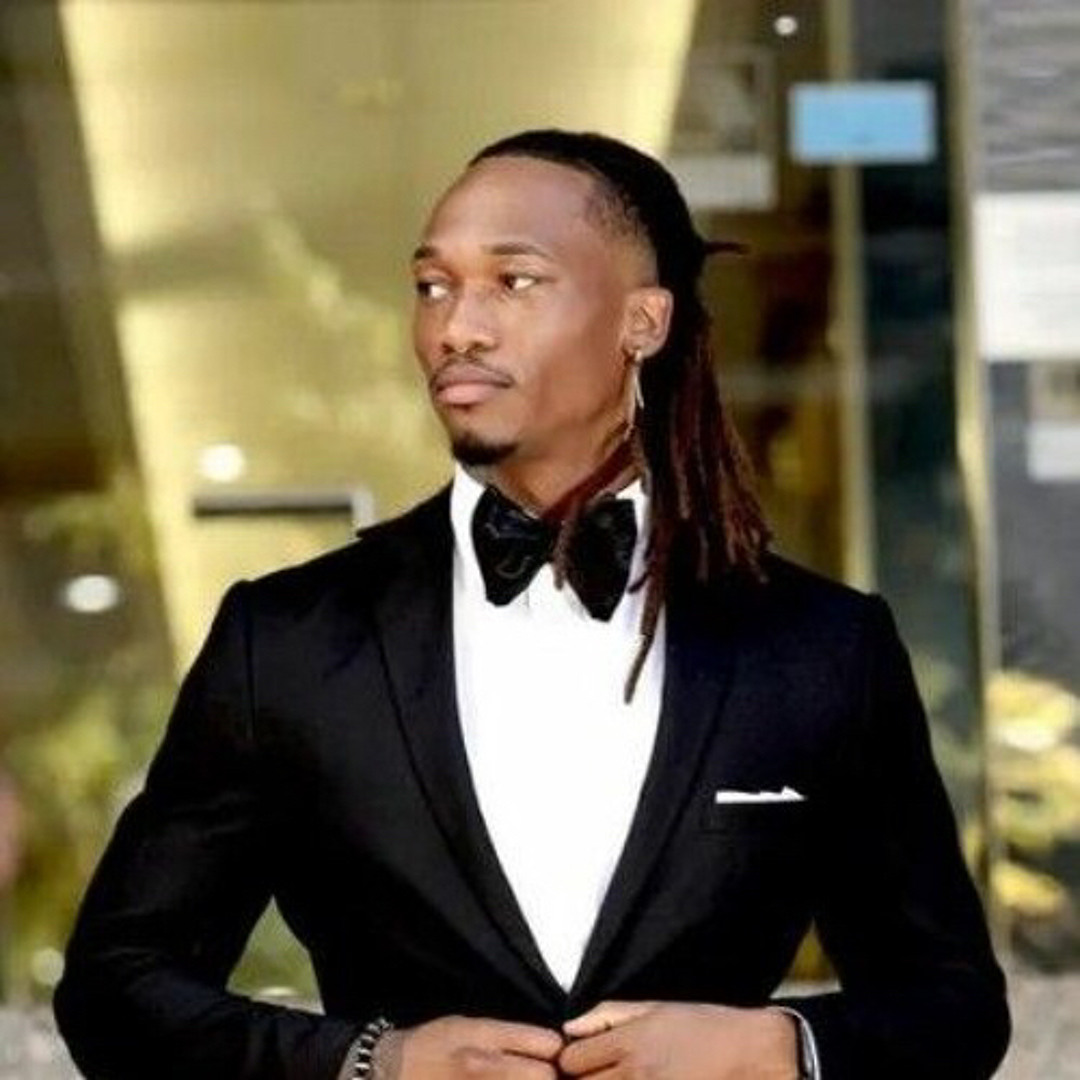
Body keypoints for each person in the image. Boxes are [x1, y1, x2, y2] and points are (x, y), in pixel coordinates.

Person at [54, 129, 1010, 1080]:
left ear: (643, 321)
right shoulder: (288, 642)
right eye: (433, 285)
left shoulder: (819, 647)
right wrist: (371, 1063)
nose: (456, 329)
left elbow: (954, 1005)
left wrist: (775, 1047)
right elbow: (115, 988)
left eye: (514, 281)